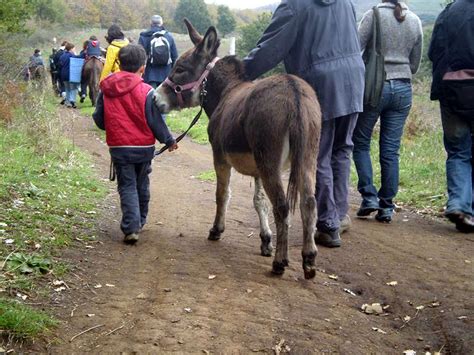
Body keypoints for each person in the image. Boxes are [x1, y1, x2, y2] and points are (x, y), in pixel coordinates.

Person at [243, 0, 365, 248]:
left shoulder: (295, 5)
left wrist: (238, 73)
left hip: (320, 84)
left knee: (316, 154)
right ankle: (339, 214)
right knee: (342, 149)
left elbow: (270, 49)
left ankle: (329, 224)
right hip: (354, 80)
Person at [92, 44, 178, 244]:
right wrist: (169, 140)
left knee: (127, 186)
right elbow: (155, 120)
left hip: (119, 148)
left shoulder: (106, 89)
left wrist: (112, 126)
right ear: (143, 67)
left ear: (119, 64)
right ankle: (139, 221)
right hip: (144, 149)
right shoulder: (147, 91)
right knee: (142, 184)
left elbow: (98, 118)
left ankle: (131, 227)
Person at [352, 0, 423, 223]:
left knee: (360, 141)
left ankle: (369, 196)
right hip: (403, 87)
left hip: (375, 86)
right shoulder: (415, 20)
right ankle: (387, 206)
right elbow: (415, 64)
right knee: (391, 150)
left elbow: (355, 49)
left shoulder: (373, 15)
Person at [429, 0, 474, 232]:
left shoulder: (450, 11)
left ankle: (459, 205)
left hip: (453, 91)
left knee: (458, 151)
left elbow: (433, 51)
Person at [138, 15, 178, 89]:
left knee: (150, 98)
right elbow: (175, 56)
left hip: (150, 75)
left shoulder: (144, 36)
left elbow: (140, 57)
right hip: (166, 75)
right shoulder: (169, 36)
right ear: (161, 23)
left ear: (151, 23)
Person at [59, 42, 80, 108]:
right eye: (74, 48)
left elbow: (60, 65)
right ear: (71, 49)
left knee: (67, 88)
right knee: (73, 88)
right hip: (71, 74)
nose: (74, 50)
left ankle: (67, 102)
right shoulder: (72, 56)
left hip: (63, 74)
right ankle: (72, 101)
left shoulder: (62, 56)